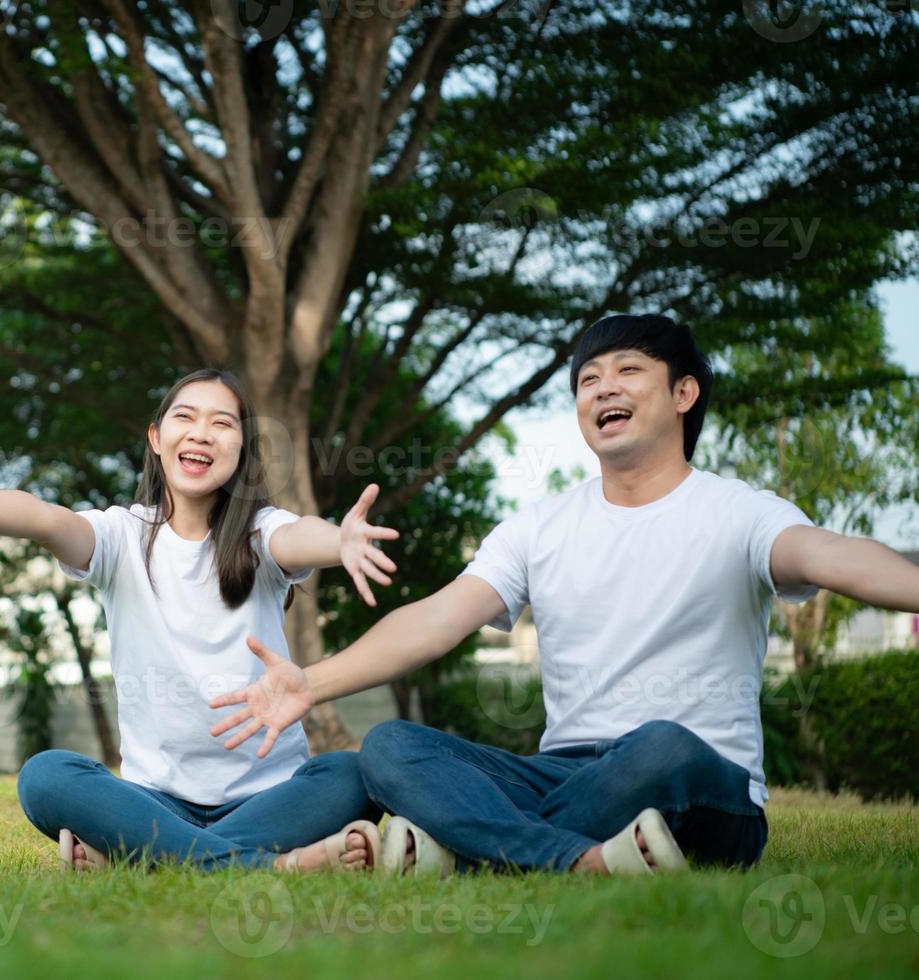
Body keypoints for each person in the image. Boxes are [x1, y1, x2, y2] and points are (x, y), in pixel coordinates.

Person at [210, 314, 919, 876]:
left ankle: (475, 850)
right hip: (561, 773)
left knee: (660, 747)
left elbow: (831, 556)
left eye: (628, 371)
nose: (602, 388)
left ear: (682, 394)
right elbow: (436, 619)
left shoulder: (739, 512)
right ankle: (575, 861)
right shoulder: (539, 525)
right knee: (394, 747)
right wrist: (310, 680)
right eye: (587, 379)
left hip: (694, 786)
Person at [0, 368, 397, 871]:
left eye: (222, 423)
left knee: (352, 774)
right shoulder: (119, 537)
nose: (201, 434)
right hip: (156, 801)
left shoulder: (262, 534)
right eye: (185, 417)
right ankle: (272, 865)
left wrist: (340, 540)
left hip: (272, 796)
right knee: (46, 775)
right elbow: (41, 516)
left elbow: (300, 535)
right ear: (155, 436)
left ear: (242, 450)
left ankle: (142, 855)